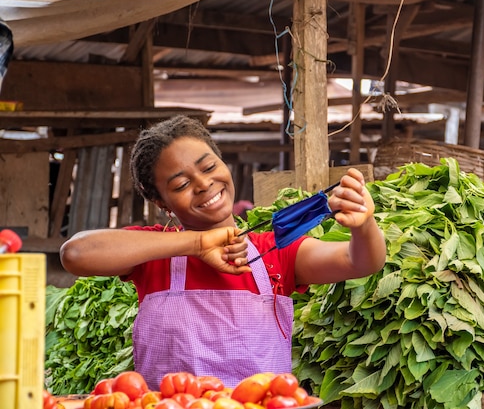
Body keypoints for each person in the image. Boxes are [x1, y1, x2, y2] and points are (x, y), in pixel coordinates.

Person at [60, 115, 387, 390]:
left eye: (208, 166)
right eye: (180, 185)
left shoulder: (271, 251)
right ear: (161, 203)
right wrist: (197, 244)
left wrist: (363, 224)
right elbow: (75, 254)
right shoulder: (154, 252)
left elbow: (360, 261)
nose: (203, 184)